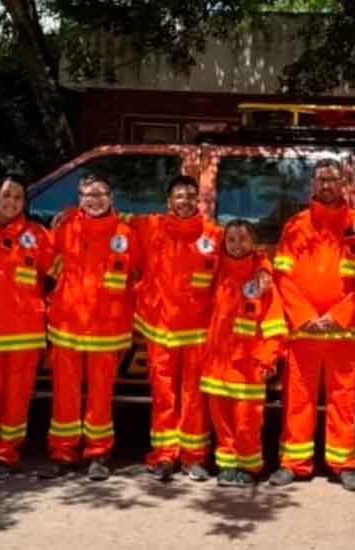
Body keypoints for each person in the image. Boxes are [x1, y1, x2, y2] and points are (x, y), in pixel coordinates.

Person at [268, 158, 355, 491]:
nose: (326, 185)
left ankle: (344, 464)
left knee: (344, 398)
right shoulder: (296, 226)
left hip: (344, 330)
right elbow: (282, 277)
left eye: (332, 179)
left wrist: (337, 316)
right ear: (313, 185)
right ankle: (293, 462)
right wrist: (305, 317)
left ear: (343, 183)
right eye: (321, 179)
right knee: (298, 397)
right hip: (304, 330)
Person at [39, 173, 138, 482]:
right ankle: (63, 452)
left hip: (108, 330)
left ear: (111, 197)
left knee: (100, 397)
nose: (94, 201)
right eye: (87, 195)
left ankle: (98, 454)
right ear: (78, 199)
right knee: (64, 395)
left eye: (100, 194)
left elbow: (138, 274)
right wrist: (65, 286)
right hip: (68, 326)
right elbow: (46, 259)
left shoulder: (126, 233)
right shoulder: (65, 227)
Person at [132, 175, 223, 482]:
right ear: (168, 201)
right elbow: (109, 222)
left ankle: (194, 457)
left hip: (198, 331)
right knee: (163, 396)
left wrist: (263, 274)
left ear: (198, 200)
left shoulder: (214, 234)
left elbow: (244, 258)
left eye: (190, 196)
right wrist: (69, 216)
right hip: (161, 329)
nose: (185, 201)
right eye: (179, 196)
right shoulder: (149, 227)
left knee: (194, 398)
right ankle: (164, 456)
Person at [0, 174, 53, 481]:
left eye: (18, 197)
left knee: (16, 400)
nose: (12, 202)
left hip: (24, 334)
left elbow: (62, 274)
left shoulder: (38, 236)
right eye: (7, 196)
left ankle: (6, 456)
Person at [200, 220, 287, 487]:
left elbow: (274, 323)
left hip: (248, 366)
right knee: (222, 421)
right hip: (217, 363)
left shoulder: (262, 279)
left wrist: (268, 357)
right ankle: (226, 466)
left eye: (243, 239)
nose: (237, 245)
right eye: (231, 240)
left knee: (247, 422)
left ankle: (249, 467)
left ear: (254, 242)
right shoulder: (216, 270)